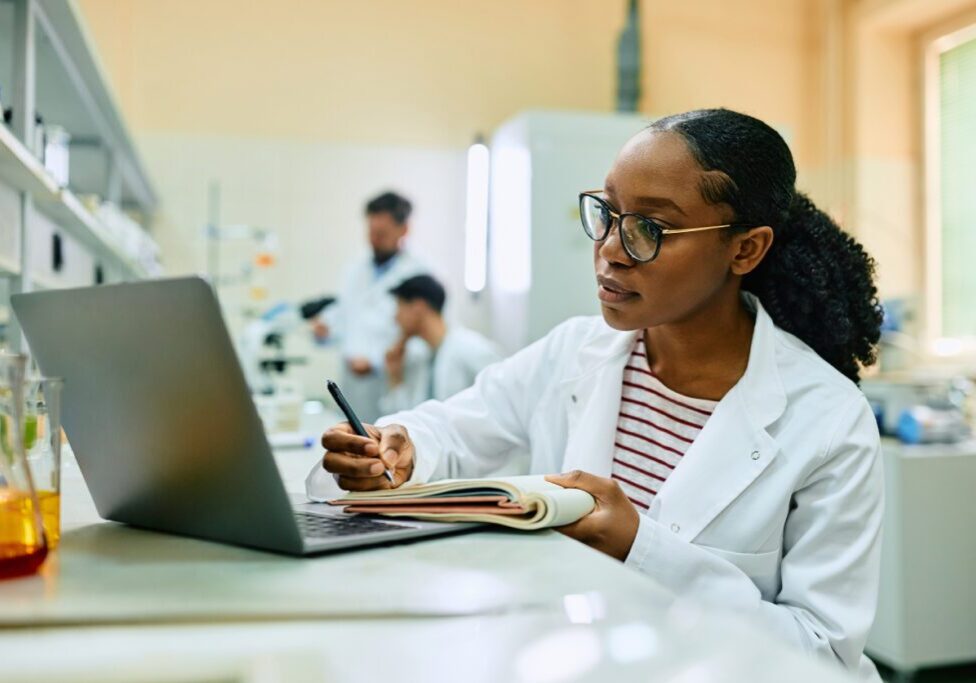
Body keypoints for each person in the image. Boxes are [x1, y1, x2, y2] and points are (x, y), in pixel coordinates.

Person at [309, 109, 884, 680]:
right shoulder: (575, 353)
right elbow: (453, 429)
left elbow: (820, 655)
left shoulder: (829, 421)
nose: (609, 249)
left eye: (649, 230)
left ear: (745, 250)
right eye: (607, 213)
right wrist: (398, 448)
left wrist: (642, 549)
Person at [312, 191, 427, 422]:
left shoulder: (420, 275)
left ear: (404, 230)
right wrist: (326, 330)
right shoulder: (355, 269)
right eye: (371, 233)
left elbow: (424, 341)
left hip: (391, 390)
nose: (374, 240)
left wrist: (375, 362)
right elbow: (347, 320)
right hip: (351, 388)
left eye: (382, 234)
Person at [379, 275, 502, 415]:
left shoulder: (472, 349)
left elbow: (502, 402)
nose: (395, 317)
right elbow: (408, 418)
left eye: (399, 307)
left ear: (418, 308)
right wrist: (395, 375)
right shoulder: (423, 357)